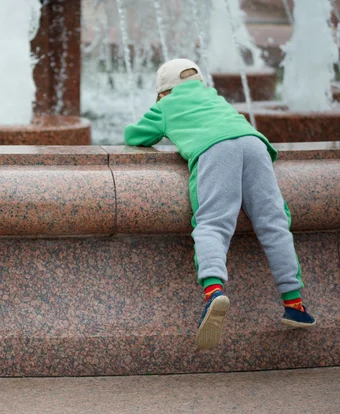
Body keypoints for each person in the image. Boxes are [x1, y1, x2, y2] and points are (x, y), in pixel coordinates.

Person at [124, 58, 316, 350]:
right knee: (274, 223)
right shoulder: (216, 98)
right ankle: (295, 305)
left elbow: (134, 136)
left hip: (215, 149)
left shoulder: (166, 105)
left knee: (213, 223)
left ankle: (214, 291)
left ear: (163, 91)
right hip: (254, 143)